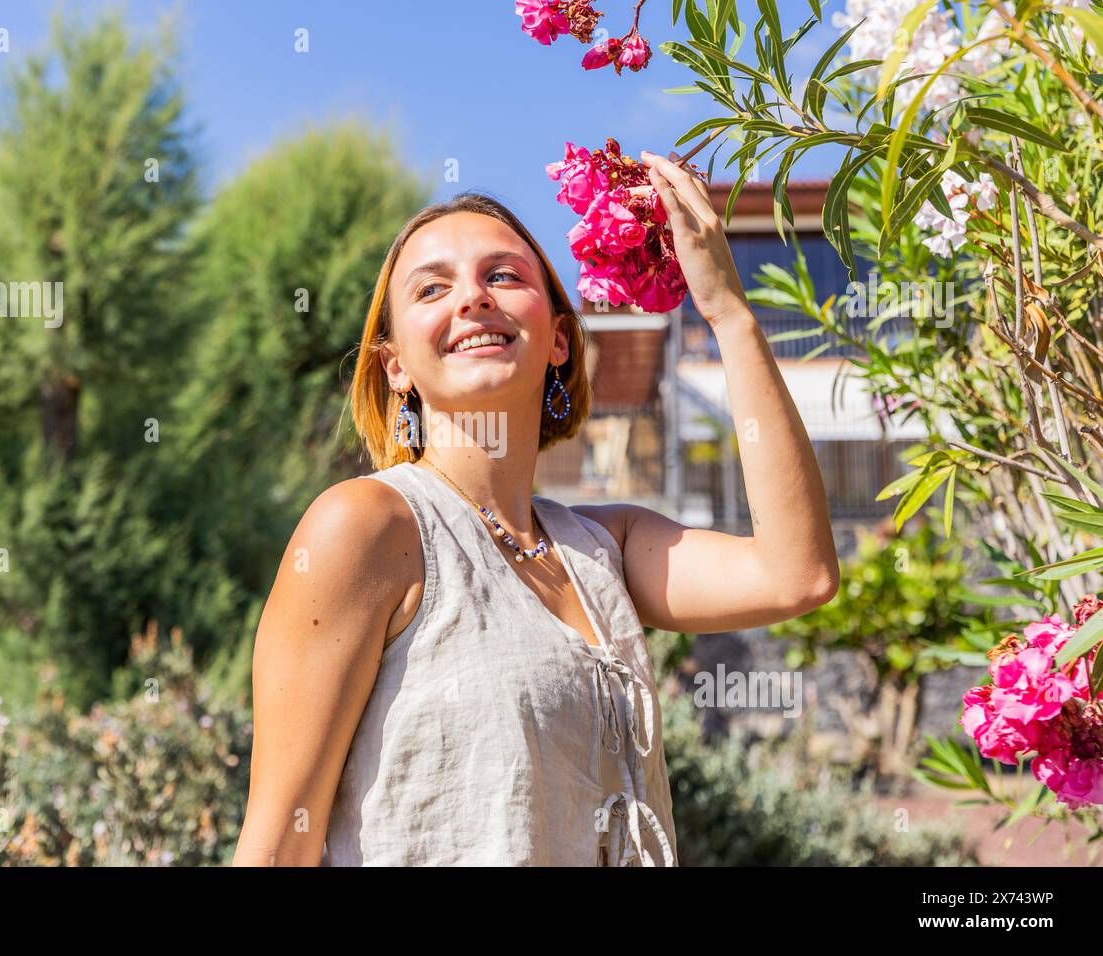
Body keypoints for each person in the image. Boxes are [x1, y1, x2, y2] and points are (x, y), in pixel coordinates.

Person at [231, 150, 839, 866]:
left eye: (503, 276)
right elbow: (277, 845)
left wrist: (729, 314)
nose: (472, 298)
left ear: (558, 337)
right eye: (432, 289)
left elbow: (798, 574)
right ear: (395, 367)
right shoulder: (369, 526)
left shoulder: (604, 544)